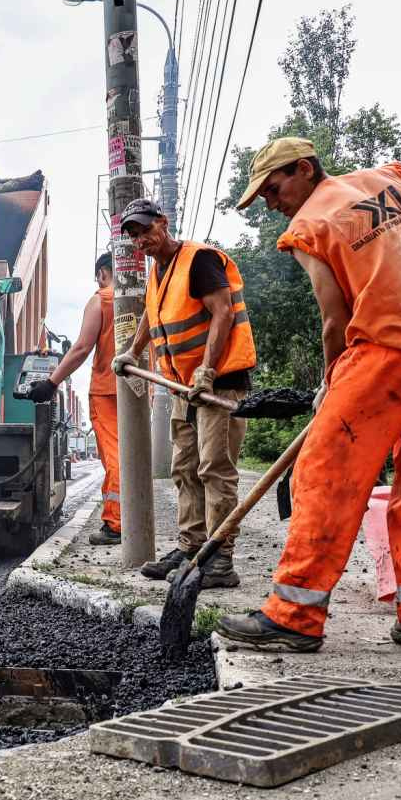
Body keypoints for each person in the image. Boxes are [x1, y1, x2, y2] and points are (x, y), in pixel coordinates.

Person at [215, 137, 401, 655]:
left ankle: (294, 616)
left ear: (304, 169)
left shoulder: (309, 226)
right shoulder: (393, 179)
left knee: (325, 476)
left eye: (273, 187)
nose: (271, 201)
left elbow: (334, 319)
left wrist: (332, 381)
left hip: (380, 357)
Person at [110, 198, 257, 588]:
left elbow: (222, 311)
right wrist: (133, 350)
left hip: (218, 383)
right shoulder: (159, 274)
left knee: (214, 469)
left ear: (163, 222)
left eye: (145, 229)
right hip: (182, 386)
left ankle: (220, 559)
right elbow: (151, 315)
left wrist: (207, 371)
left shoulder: (199, 260)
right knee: (184, 469)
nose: (141, 239)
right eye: (134, 235)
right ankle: (191, 548)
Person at [26, 251, 121, 544]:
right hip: (142, 391)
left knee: (115, 457)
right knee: (133, 455)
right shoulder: (146, 299)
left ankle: (117, 524)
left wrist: (51, 383)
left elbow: (81, 348)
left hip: (108, 390)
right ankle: (134, 517)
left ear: (102, 273)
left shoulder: (102, 299)